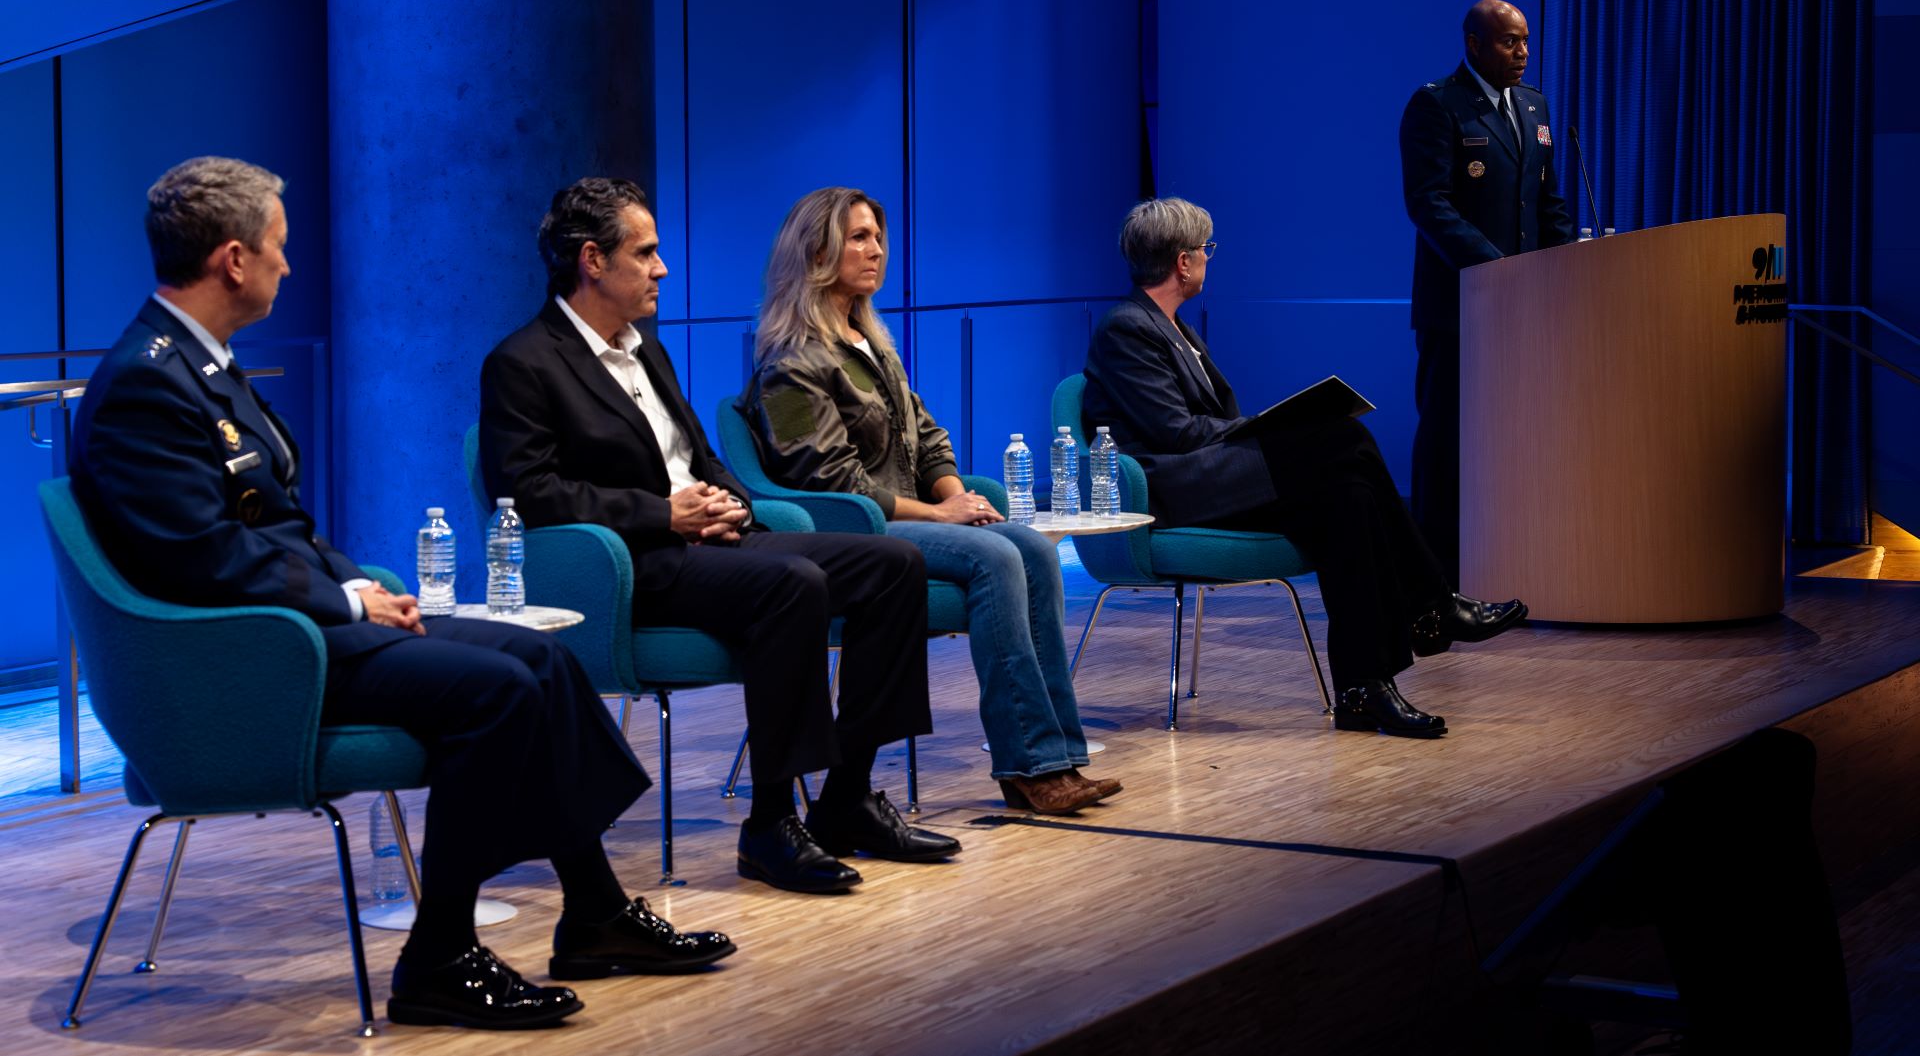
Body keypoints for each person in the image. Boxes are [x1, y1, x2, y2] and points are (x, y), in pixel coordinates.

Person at [69, 157, 732, 1033]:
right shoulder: (148, 382)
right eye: (279, 247)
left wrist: (351, 582)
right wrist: (348, 604)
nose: (288, 265)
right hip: (246, 661)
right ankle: (440, 958)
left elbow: (278, 528)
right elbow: (203, 558)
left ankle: (596, 909)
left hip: (289, 625)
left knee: (539, 653)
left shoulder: (204, 366)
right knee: (496, 689)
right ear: (233, 259)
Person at [479, 177, 959, 894]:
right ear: (592, 260)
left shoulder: (648, 352)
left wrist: (732, 502)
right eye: (645, 253)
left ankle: (847, 797)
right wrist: (663, 513)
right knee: (794, 583)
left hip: (710, 542)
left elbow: (701, 459)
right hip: (633, 563)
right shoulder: (524, 362)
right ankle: (770, 823)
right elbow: (527, 494)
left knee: (892, 564)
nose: (662, 268)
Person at [1082, 197, 1529, 738]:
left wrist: (1263, 429)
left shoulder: (1174, 327)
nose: (1208, 260)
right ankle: (1432, 606)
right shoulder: (1126, 328)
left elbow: (1206, 423)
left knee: (1350, 501)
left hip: (1213, 476)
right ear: (1182, 262)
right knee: (1342, 436)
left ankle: (1364, 690)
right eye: (1206, 250)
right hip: (1174, 490)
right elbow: (1176, 433)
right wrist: (1266, 430)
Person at [740, 187, 1116, 815]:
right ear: (815, 251)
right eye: (858, 237)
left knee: (1033, 548)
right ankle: (1030, 765)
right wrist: (941, 515)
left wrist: (956, 493)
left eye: (878, 237)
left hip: (912, 518)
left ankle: (1058, 755)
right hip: (854, 533)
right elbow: (835, 482)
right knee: (994, 560)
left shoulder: (873, 345)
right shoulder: (789, 364)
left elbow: (929, 437)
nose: (876, 249)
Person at [1399, 0, 1576, 583]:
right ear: (1473, 44)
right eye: (1508, 42)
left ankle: (1508, 560)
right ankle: (1436, 576)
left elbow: (1547, 203)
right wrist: (1496, 269)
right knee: (1450, 441)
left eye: (1525, 41)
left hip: (1525, 310)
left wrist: (1567, 264)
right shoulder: (1437, 105)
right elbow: (1429, 204)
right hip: (1461, 309)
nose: (1522, 52)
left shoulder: (1535, 106)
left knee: (1516, 440)